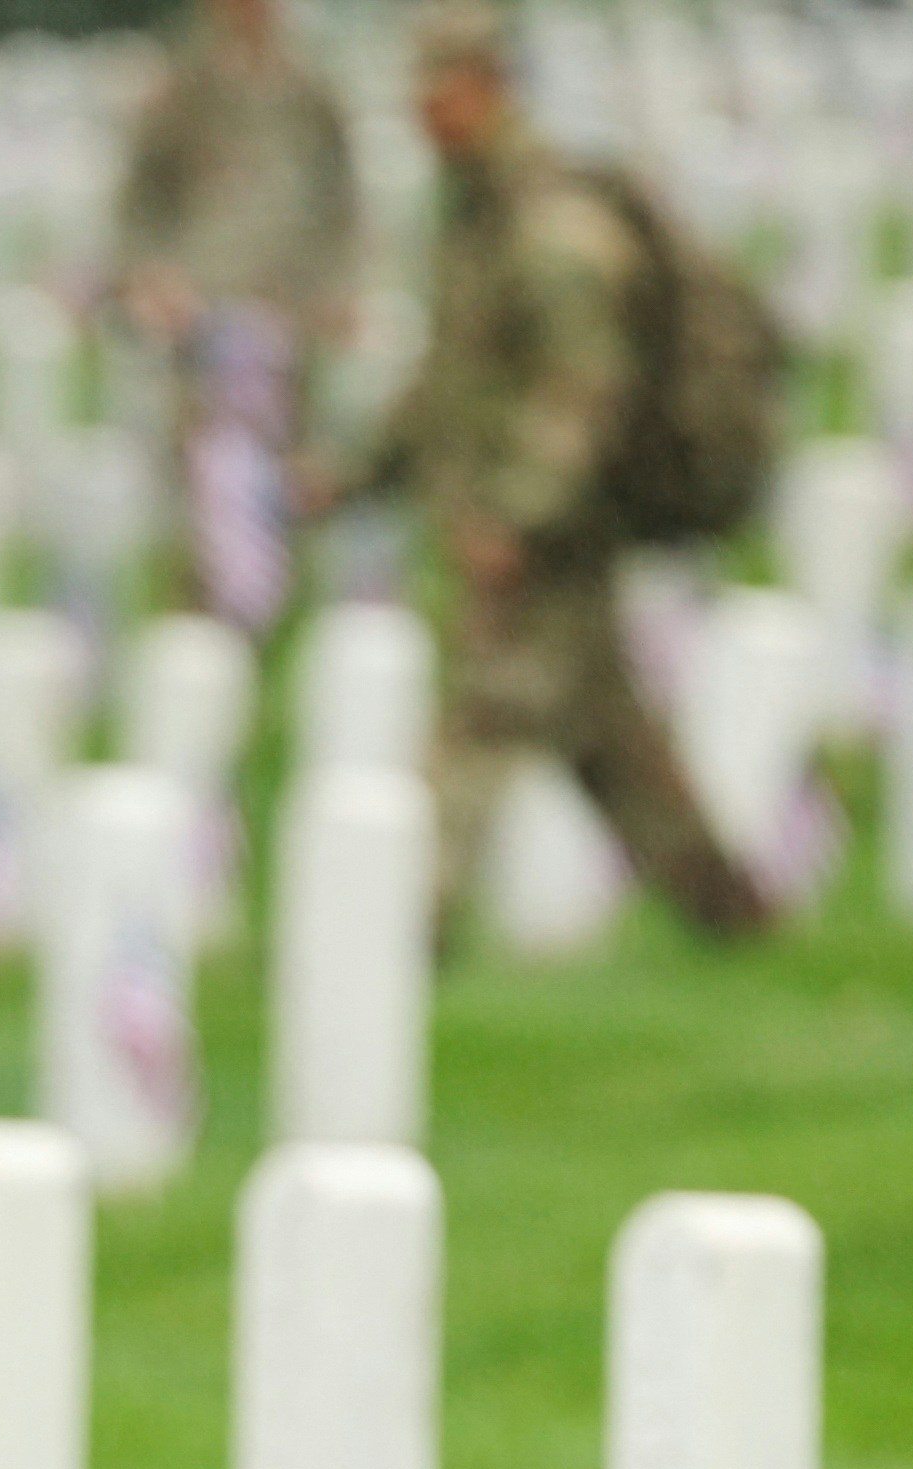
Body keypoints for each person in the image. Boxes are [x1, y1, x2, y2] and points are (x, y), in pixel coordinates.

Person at [305, 6, 769, 941]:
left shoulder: (549, 223)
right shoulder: (476, 212)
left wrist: (516, 516)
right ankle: (734, 921)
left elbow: (582, 389)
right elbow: (449, 381)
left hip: (550, 533)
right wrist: (356, 476)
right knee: (612, 746)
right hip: (513, 522)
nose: (418, 108)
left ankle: (401, 933)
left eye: (433, 86)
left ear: (483, 86)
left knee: (480, 726)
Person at [110, 0, 364, 628]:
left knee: (286, 471)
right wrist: (151, 276)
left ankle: (278, 621)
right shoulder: (181, 90)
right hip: (204, 311)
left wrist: (338, 288)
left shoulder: (310, 92)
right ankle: (206, 619)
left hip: (288, 312)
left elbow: (341, 202)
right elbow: (141, 202)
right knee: (206, 476)